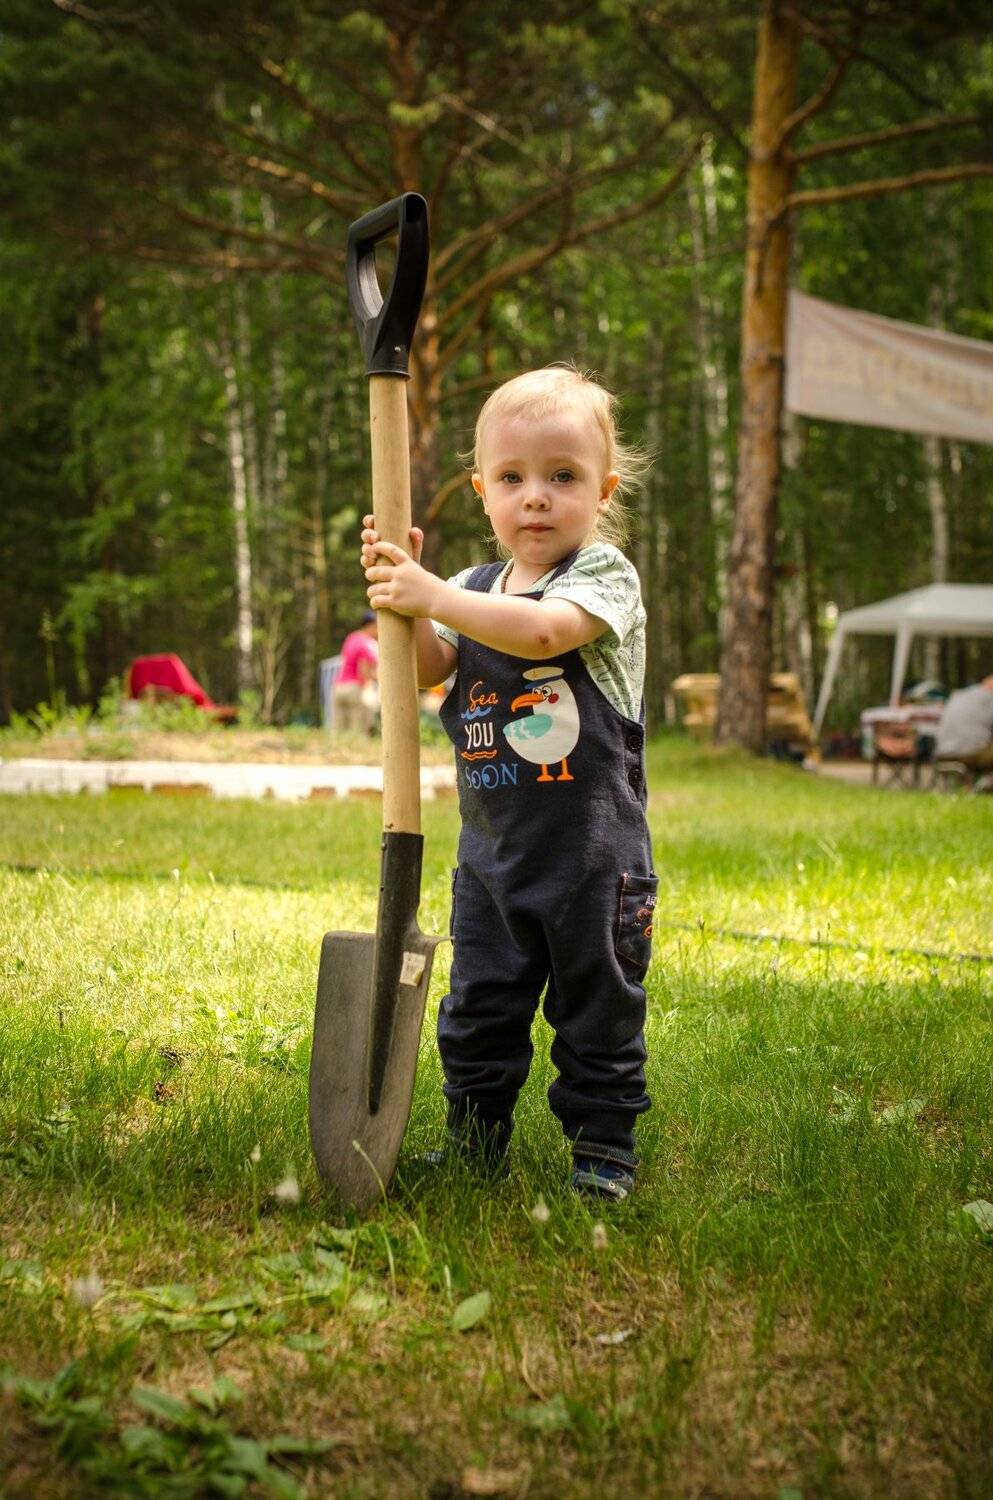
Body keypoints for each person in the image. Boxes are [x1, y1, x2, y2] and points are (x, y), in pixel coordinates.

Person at [361, 365, 655, 1201]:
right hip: (492, 858)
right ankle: (474, 1138)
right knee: (478, 1007)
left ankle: (603, 1149)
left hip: (593, 863)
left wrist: (434, 597)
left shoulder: (601, 577)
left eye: (562, 477)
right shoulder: (468, 588)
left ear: (602, 491)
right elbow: (426, 668)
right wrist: (403, 596)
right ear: (481, 491)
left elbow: (542, 635)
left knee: (595, 1010)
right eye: (512, 478)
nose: (535, 498)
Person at [933, 674, 993, 783]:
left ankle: (982, 785)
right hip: (970, 755)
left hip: (942, 754)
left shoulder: (959, 695)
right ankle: (986, 785)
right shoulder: (989, 698)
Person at [332, 611, 379, 735]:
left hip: (339, 687)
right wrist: (377, 680)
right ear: (371, 625)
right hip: (356, 689)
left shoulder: (351, 637)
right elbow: (363, 670)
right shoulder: (367, 643)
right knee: (358, 731)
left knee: (339, 731)